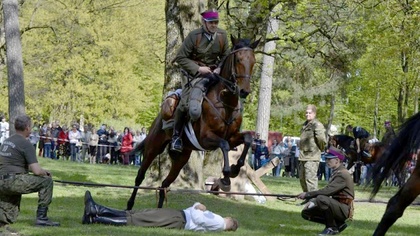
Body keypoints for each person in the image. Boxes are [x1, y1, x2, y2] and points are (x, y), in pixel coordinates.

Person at [170, 9, 230, 153]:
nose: (214, 25)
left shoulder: (222, 36)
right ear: (204, 22)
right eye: (211, 23)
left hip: (213, 74)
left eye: (216, 22)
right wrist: (198, 68)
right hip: (192, 75)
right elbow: (180, 58)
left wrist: (220, 68)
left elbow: (226, 56)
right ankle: (176, 137)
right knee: (185, 104)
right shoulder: (194, 36)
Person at [0, 115, 59, 227]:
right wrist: (45, 173)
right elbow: (36, 171)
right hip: (14, 181)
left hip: (2, 182)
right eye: (30, 127)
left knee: (9, 216)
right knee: (46, 182)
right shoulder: (25, 143)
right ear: (27, 128)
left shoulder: (7, 141)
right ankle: (42, 218)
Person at [82, 190, 238, 232]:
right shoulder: (218, 221)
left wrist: (197, 207)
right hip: (179, 216)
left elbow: (199, 219)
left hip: (180, 220)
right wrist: (198, 205)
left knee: (138, 219)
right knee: (138, 214)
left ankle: (96, 215)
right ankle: (97, 211)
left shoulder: (218, 223)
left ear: (230, 222)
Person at [298, 146, 354, 235]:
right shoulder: (337, 172)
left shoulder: (342, 174)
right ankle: (338, 225)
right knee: (307, 213)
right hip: (336, 205)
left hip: (343, 209)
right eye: (326, 159)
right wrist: (313, 201)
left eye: (329, 159)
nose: (327, 161)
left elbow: (327, 191)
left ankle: (331, 227)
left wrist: (308, 194)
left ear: (337, 160)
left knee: (321, 198)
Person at [299, 105, 326, 192]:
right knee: (302, 179)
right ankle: (307, 198)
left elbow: (321, 139)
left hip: (312, 156)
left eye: (309, 113)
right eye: (306, 113)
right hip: (303, 156)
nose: (307, 114)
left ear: (314, 114)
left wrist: (320, 149)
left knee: (310, 180)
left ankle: (313, 201)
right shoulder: (305, 125)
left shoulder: (317, 125)